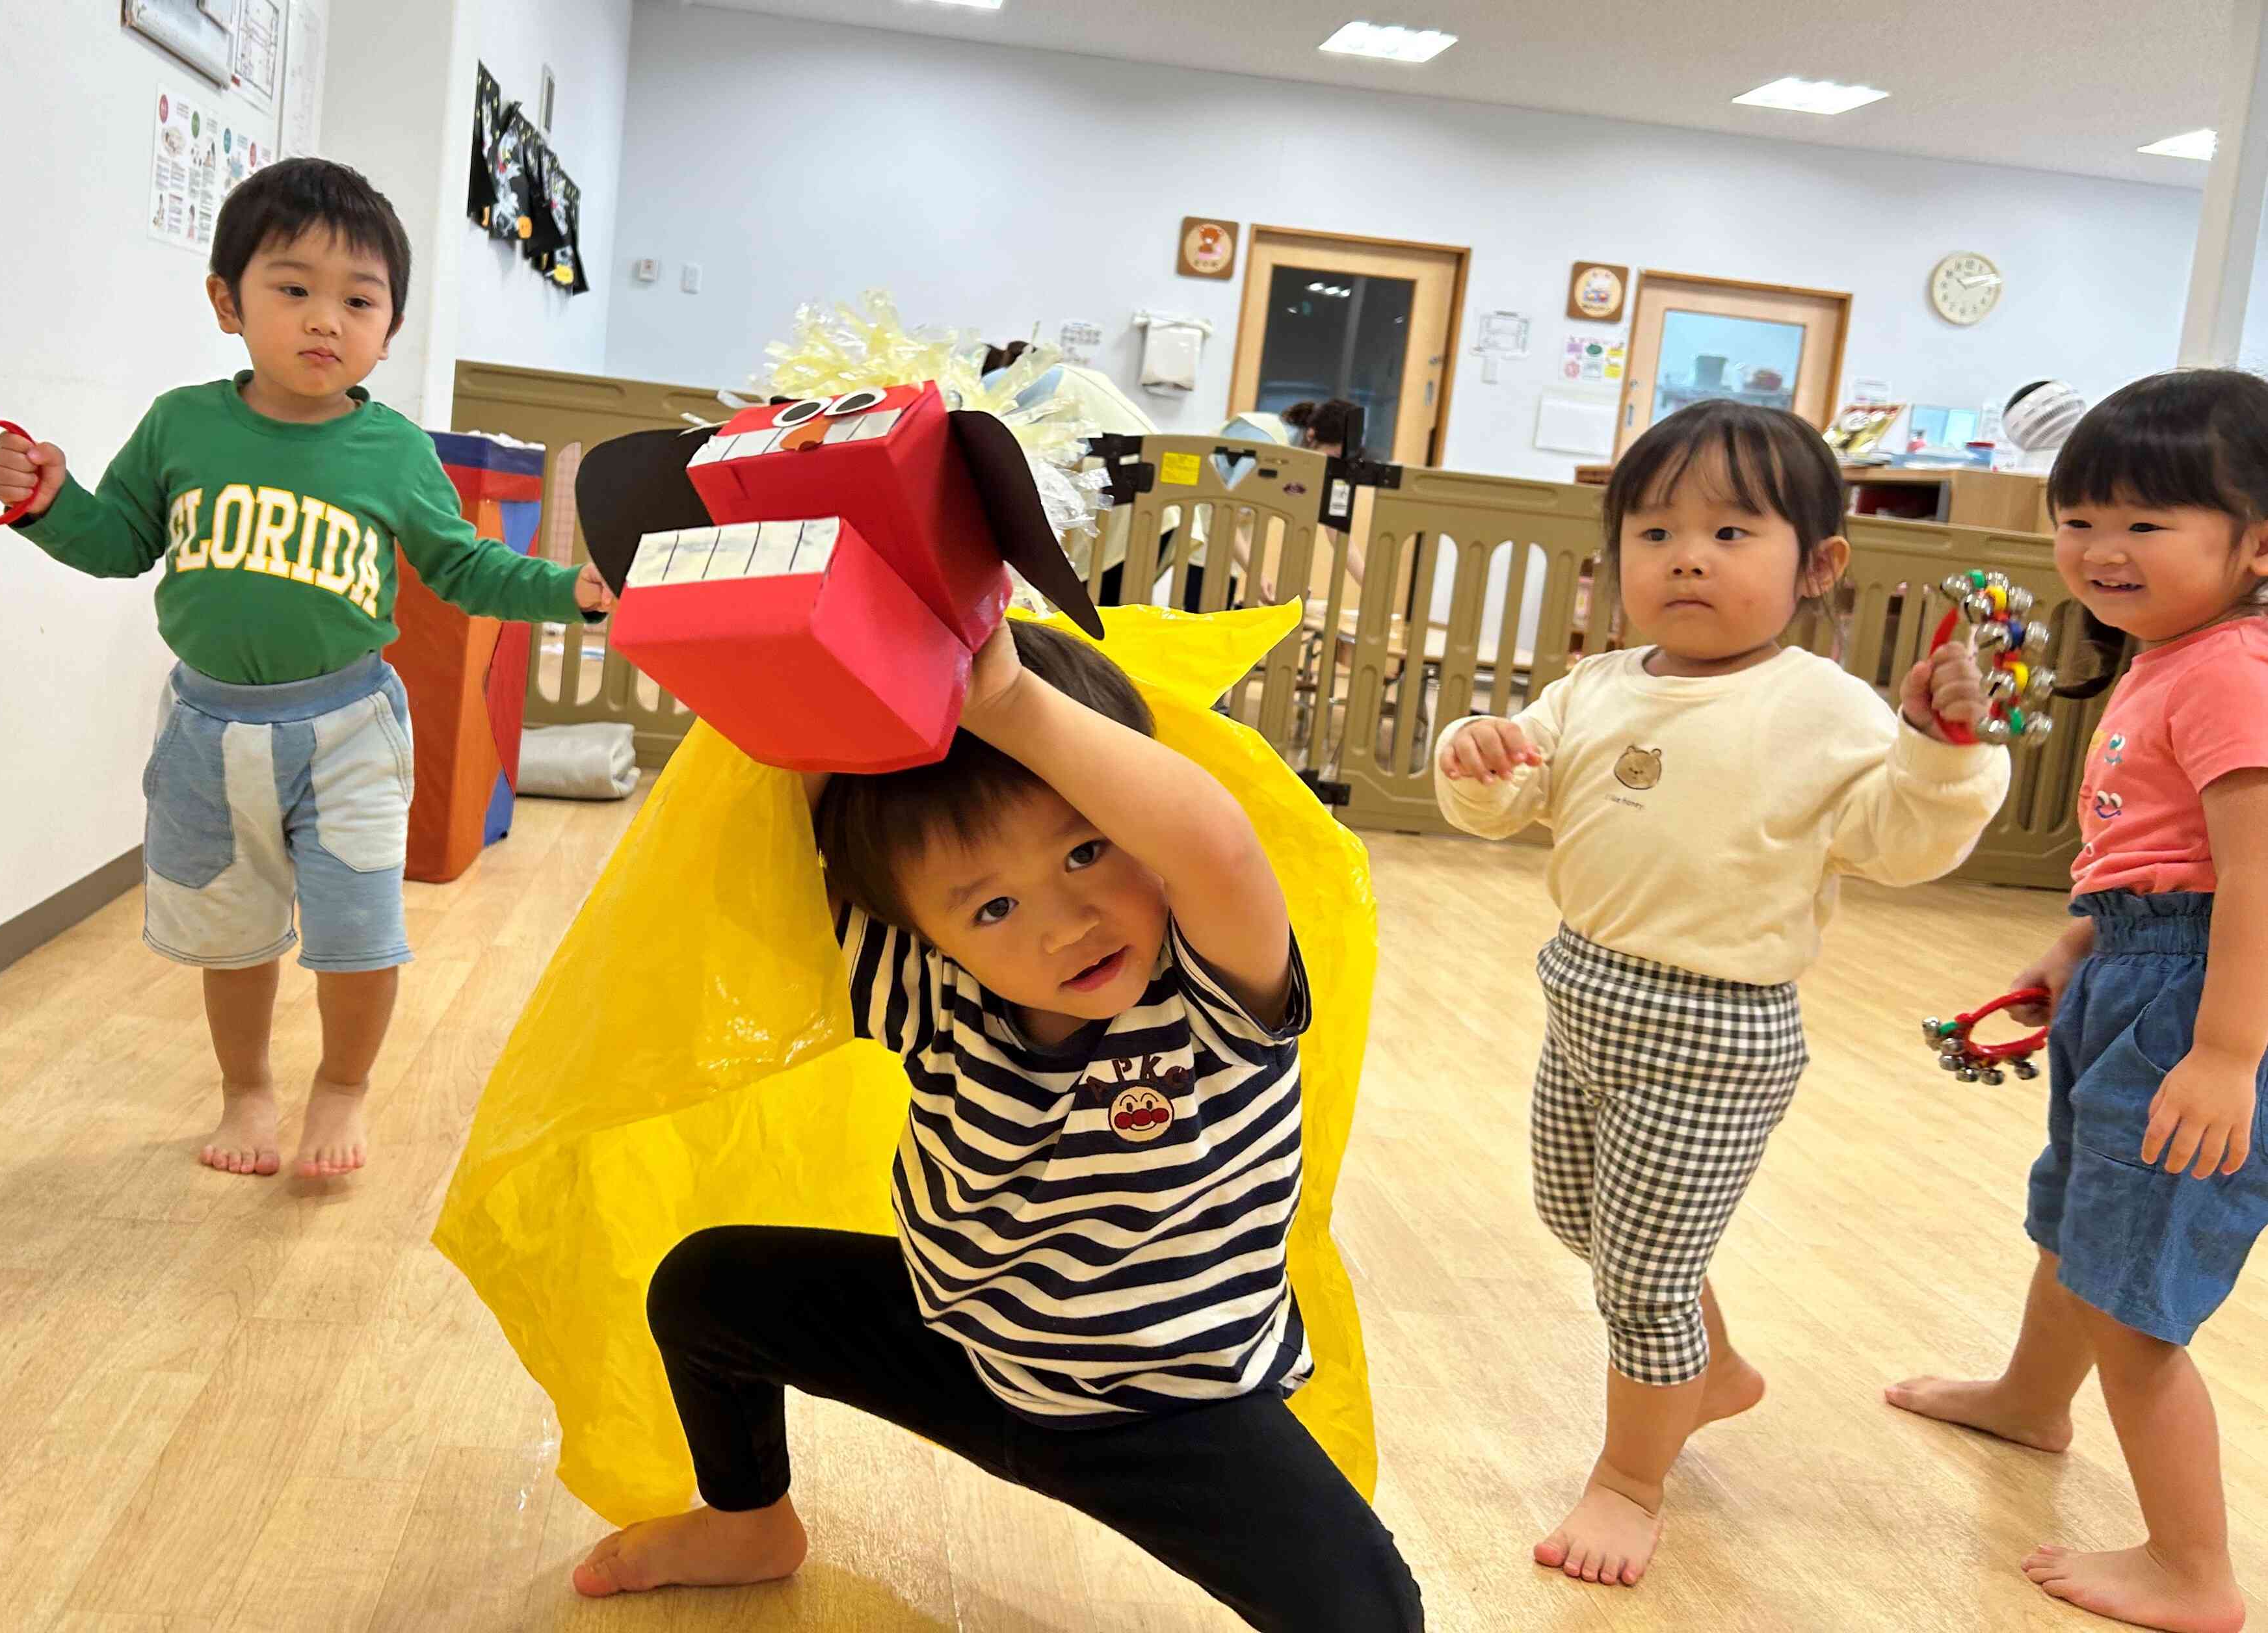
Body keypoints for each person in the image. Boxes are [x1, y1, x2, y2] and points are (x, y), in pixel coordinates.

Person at [570, 618, 1423, 1631]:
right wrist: (818, 670)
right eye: (990, 909)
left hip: (1176, 1412)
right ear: (923, 931)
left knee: (1373, 1615)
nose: (1066, 925)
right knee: (706, 1288)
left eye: (1088, 850)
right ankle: (748, 1521)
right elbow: (772, 876)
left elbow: (1220, 848)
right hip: (967, 1349)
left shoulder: (1213, 993)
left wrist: (1009, 702)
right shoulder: (937, 990)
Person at [1434, 400, 2008, 1587]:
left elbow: (1899, 840)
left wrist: (1943, 751)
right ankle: (1716, 1367)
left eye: (1734, 531)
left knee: (1641, 1275)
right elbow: (1511, 797)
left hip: (1718, 1031)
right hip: (1584, 994)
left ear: (1820, 567)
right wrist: (1476, 759)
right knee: (1577, 1218)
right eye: (1655, 532)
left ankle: (1630, 1479)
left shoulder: (1826, 708)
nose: (1688, 555)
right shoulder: (1596, 686)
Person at [0, 157, 613, 1181]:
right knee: (230, 934)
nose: (327, 320)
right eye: (294, 290)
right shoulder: (180, 424)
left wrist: (567, 591)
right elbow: (116, 543)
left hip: (348, 730)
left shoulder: (394, 450)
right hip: (205, 731)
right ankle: (246, 1086)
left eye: (358, 300)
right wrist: (46, 502)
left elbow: (461, 565)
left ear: (390, 326)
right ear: (226, 301)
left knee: (360, 929)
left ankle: (344, 1083)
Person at [1888, 369, 2268, 1633]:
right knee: (2080, 1213)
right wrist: (2070, 952)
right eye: (2078, 515)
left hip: (2198, 996)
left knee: (2130, 1282)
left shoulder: (2229, 673)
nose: (2100, 549)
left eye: (2146, 523)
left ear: (2257, 541)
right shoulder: (2171, 657)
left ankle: (2191, 1564)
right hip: (2140, 966)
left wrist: (2222, 1049)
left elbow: (2258, 874)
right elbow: (2156, 859)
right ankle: (2026, 1397)